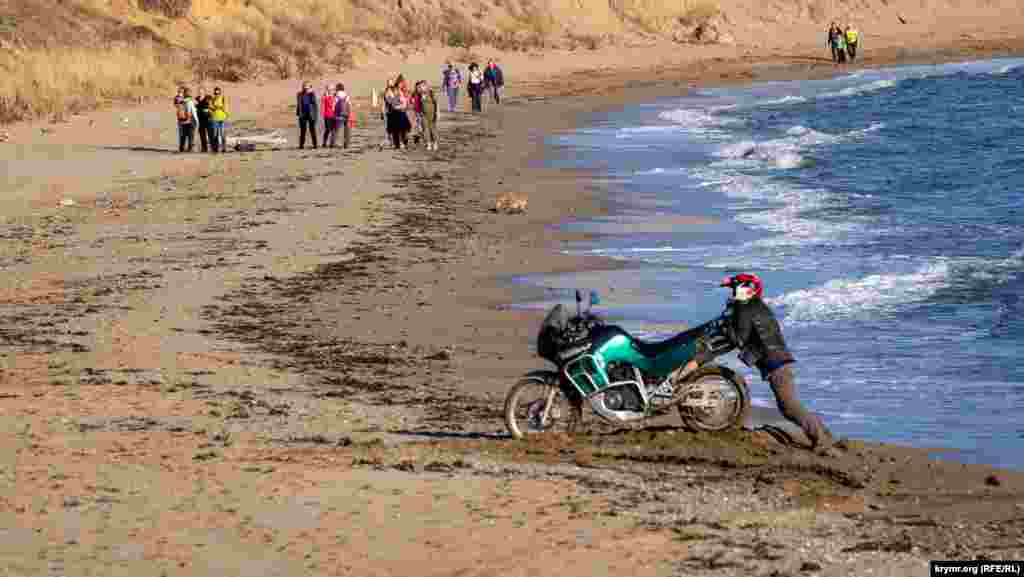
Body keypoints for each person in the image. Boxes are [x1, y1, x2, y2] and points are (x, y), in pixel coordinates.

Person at [679, 273, 835, 454]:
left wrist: (725, 325)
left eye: (734, 289)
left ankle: (822, 441)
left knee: (789, 407)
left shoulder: (745, 309)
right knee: (791, 406)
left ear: (745, 290)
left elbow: (739, 338)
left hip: (776, 365)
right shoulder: (755, 307)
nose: (731, 294)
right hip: (779, 362)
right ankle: (824, 435)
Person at [296, 81, 319, 149]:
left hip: (311, 114)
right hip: (302, 114)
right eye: (304, 86)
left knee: (312, 130)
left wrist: (315, 116)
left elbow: (315, 105)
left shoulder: (312, 94)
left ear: (310, 87)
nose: (305, 88)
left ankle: (315, 145)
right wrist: (300, 114)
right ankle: (301, 145)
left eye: (307, 87)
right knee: (303, 130)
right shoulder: (299, 94)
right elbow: (299, 103)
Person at [175, 87, 199, 153]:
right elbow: (190, 110)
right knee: (190, 135)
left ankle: (182, 148)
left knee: (184, 135)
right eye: (189, 92)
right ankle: (189, 148)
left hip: (183, 119)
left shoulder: (182, 100)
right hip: (190, 119)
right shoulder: (189, 101)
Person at [419, 80, 439, 151]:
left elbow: (436, 103)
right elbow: (420, 104)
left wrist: (437, 112)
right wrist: (420, 113)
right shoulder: (420, 94)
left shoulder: (431, 92)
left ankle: (435, 143)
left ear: (426, 86)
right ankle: (429, 143)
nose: (421, 88)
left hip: (432, 113)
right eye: (420, 86)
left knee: (432, 128)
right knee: (425, 129)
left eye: (423, 86)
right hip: (424, 114)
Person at [209, 86, 228, 153]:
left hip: (222, 118)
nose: (217, 95)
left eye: (218, 93)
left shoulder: (223, 98)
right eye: (216, 93)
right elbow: (210, 108)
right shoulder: (212, 99)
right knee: (215, 134)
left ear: (220, 93)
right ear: (214, 93)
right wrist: (215, 107)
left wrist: (226, 113)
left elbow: (225, 107)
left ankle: (224, 148)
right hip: (215, 118)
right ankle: (215, 148)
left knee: (223, 134)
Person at [333, 83, 352, 149]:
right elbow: (349, 104)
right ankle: (346, 144)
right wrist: (349, 113)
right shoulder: (346, 95)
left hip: (338, 114)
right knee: (347, 130)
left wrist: (333, 114)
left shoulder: (336, 95)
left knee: (337, 129)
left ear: (337, 88)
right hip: (346, 114)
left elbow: (334, 105)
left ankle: (336, 143)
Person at [195, 87, 212, 153]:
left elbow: (211, 105)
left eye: (201, 91)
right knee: (202, 135)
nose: (200, 92)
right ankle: (204, 148)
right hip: (200, 119)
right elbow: (195, 107)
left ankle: (213, 147)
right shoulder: (196, 99)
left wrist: (208, 110)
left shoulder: (208, 97)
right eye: (199, 91)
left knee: (210, 134)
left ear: (204, 92)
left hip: (208, 118)